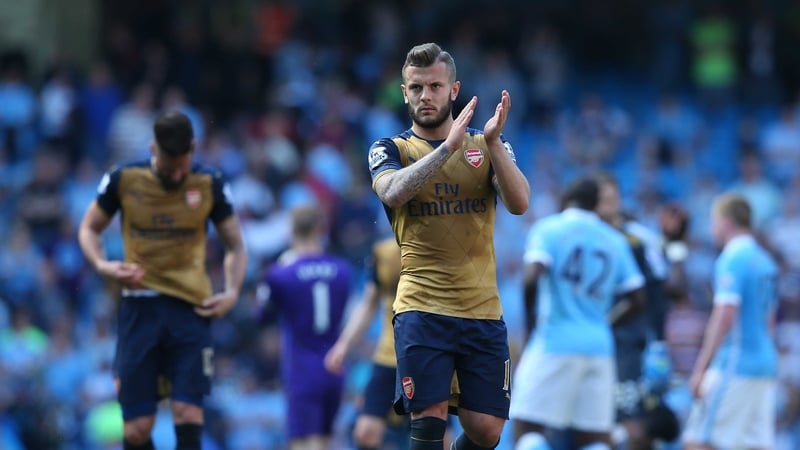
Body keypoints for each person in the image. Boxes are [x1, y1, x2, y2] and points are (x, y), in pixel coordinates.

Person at [367, 42, 530, 450]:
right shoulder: (391, 149)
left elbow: (519, 203)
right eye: (416, 88)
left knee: (486, 430)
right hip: (422, 307)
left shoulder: (487, 143)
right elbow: (393, 193)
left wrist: (492, 144)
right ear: (404, 92)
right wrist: (445, 150)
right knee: (429, 419)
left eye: (435, 86)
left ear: (454, 90)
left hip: (482, 308)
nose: (426, 96)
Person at [77, 111, 248, 450]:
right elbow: (89, 228)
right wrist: (102, 264)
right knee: (138, 429)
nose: (178, 173)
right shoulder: (123, 180)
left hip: (190, 311)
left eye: (183, 163)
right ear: (153, 148)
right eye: (171, 166)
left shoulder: (209, 183)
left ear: (193, 148)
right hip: (139, 310)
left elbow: (235, 245)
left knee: (187, 412)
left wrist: (232, 292)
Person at [511, 174, 645, 450]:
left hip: (554, 339)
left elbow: (530, 278)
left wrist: (531, 326)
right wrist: (606, 321)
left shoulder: (549, 229)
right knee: (595, 437)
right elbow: (638, 297)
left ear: (567, 199)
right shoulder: (615, 240)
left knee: (527, 426)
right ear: (595, 204)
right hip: (599, 346)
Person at [682, 193, 779, 450]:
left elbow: (725, 315)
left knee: (700, 441)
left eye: (713, 221)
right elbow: (769, 319)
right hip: (765, 363)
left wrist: (701, 368)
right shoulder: (765, 261)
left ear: (725, 222)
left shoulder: (732, 258)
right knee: (752, 444)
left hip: (736, 362)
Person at [594, 173, 679, 450]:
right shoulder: (584, 237)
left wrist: (659, 342)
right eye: (601, 199)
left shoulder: (639, 240)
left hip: (628, 344)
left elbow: (660, 291)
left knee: (631, 423)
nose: (606, 205)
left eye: (611, 198)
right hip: (591, 343)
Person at [258, 205, 353, 450]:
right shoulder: (342, 270)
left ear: (292, 230)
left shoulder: (281, 273)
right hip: (334, 364)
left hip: (300, 367)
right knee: (324, 440)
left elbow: (261, 316)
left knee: (302, 442)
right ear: (321, 229)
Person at [324, 236, 407, 450]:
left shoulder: (440, 247)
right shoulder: (383, 252)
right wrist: (343, 345)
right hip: (389, 355)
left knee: (436, 435)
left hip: (430, 357)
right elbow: (369, 304)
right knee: (365, 432)